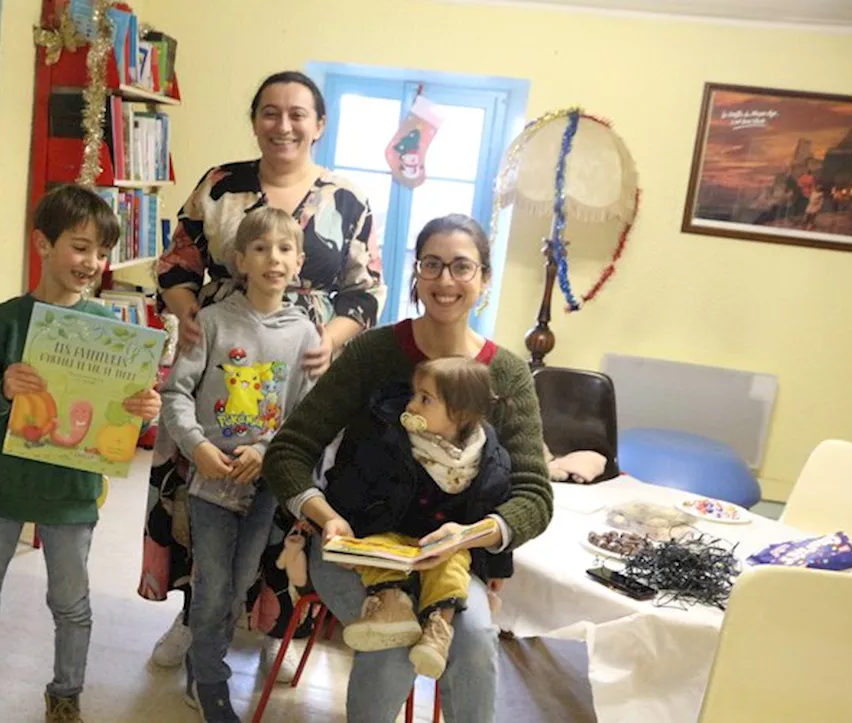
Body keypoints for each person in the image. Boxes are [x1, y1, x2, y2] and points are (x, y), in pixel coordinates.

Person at [263, 214, 553, 723]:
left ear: (484, 279)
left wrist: (476, 535)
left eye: (462, 267)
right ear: (416, 275)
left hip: (453, 558)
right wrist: (324, 515)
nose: (445, 280)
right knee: (391, 639)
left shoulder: (505, 374)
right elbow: (288, 451)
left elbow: (534, 492)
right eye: (432, 265)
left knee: (478, 637)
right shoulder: (373, 355)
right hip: (358, 546)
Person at [142, 69, 384, 679]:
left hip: (304, 359)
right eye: (270, 112)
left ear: (319, 124)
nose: (284, 125)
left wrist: (329, 339)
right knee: (198, 497)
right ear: (255, 120)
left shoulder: (346, 200)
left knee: (278, 501)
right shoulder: (222, 184)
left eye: (298, 114)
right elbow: (176, 261)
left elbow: (366, 292)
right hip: (220, 348)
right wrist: (188, 314)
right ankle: (196, 617)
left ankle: (257, 623)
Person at [0, 185, 162, 723]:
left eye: (102, 252)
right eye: (81, 247)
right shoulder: (6, 320)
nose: (92, 263)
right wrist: (2, 390)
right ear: (42, 244)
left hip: (71, 492)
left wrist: (143, 409)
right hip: (1, 484)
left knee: (72, 605)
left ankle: (65, 700)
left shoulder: (114, 331)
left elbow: (117, 427)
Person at [160, 206, 322, 721]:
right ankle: (210, 678)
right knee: (211, 586)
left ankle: (207, 660)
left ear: (298, 262)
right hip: (210, 483)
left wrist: (268, 452)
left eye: (283, 249)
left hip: (265, 485)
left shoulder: (305, 336)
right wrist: (196, 446)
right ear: (239, 260)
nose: (272, 259)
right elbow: (176, 393)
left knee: (240, 581)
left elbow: (306, 417)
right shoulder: (211, 322)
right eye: (260, 249)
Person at [330, 356, 512, 682]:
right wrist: (347, 536)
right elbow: (354, 485)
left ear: (460, 414)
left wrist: (497, 569)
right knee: (376, 552)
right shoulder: (392, 440)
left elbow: (491, 508)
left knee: (455, 566)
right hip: (391, 536)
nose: (411, 405)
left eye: (425, 399)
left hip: (443, 545)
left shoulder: (489, 459)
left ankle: (438, 631)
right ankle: (391, 606)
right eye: (415, 394)